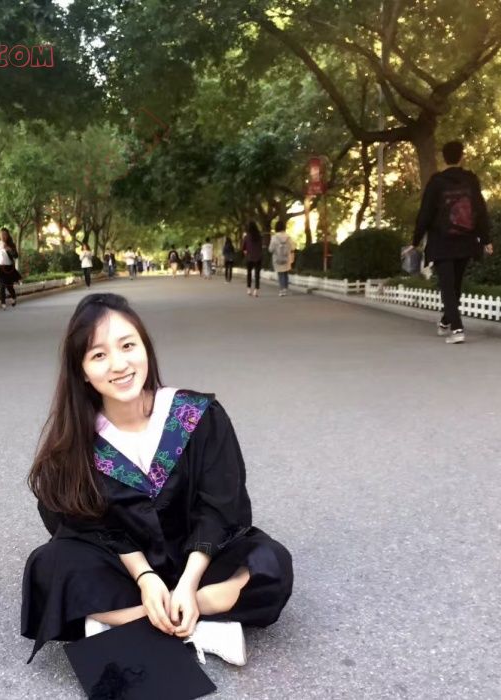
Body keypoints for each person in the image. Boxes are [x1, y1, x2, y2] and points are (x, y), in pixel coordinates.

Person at [21, 293, 293, 667]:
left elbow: (219, 506)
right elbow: (86, 525)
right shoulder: (78, 443)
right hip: (125, 569)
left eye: (127, 345)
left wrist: (189, 586)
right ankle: (198, 629)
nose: (119, 364)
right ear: (82, 370)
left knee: (271, 561)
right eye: (98, 355)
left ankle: (151, 616)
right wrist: (146, 577)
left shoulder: (195, 415)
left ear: (145, 347)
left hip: (199, 559)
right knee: (49, 565)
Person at [408, 140, 493, 344]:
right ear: (462, 157)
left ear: (443, 158)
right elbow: (480, 209)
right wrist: (486, 239)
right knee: (455, 287)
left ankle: (456, 328)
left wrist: (416, 240)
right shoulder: (471, 180)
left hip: (442, 242)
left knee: (448, 287)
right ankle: (447, 322)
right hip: (466, 241)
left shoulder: (436, 182)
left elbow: (425, 213)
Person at [0, 227, 22, 309]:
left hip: (8, 269)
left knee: (9, 286)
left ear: (8, 235)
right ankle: (3, 303)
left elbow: (16, 256)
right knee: (2, 285)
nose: (3, 236)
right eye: (1, 234)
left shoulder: (11, 244)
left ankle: (14, 297)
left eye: (5, 234)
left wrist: (9, 249)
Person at [269, 220, 296, 297]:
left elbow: (271, 249)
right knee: (285, 273)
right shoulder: (288, 237)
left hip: (277, 259)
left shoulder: (274, 237)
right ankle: (285, 289)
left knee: (280, 274)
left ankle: (282, 290)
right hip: (287, 258)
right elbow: (293, 247)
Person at [242, 222, 263, 297]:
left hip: (249, 257)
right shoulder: (259, 236)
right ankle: (256, 290)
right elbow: (261, 246)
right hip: (258, 257)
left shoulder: (246, 237)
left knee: (249, 273)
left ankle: (249, 289)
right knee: (257, 274)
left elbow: (244, 248)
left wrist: (246, 253)